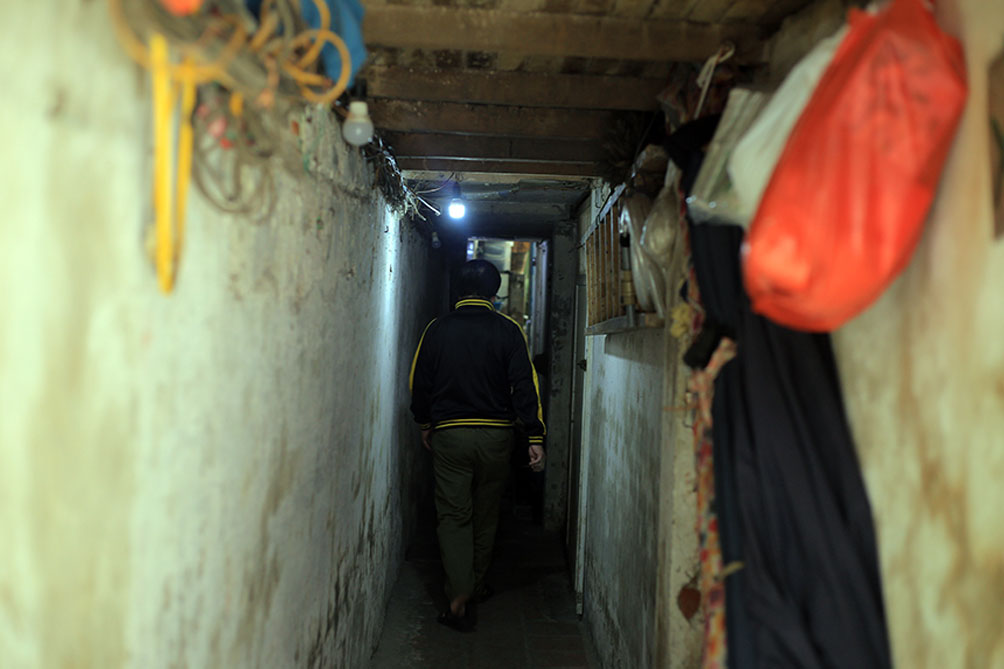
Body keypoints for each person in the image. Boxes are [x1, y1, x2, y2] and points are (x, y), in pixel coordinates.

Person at [409, 259, 546, 632]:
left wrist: (425, 423)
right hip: (496, 436)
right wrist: (534, 435)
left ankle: (459, 594)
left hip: (450, 435)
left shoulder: (437, 329)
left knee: (454, 515)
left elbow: (419, 382)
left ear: (457, 290)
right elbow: (525, 385)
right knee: (486, 513)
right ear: (494, 292)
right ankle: (478, 584)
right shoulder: (509, 330)